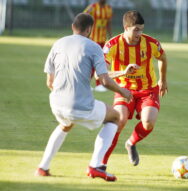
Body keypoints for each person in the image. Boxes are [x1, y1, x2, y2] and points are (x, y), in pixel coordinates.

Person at [35, 13, 134, 182]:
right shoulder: (93, 46)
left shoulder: (58, 43)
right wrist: (124, 91)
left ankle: (42, 167)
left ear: (73, 27)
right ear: (89, 29)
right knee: (115, 117)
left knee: (65, 124)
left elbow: (49, 82)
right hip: (79, 104)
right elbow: (103, 80)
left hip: (56, 103)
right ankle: (95, 166)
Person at [100, 10, 168, 168]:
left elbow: (163, 58)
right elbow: (101, 74)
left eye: (142, 29)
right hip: (124, 90)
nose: (140, 33)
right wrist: (123, 72)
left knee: (148, 122)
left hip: (148, 90)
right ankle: (101, 163)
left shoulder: (151, 43)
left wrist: (162, 80)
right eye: (136, 29)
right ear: (126, 27)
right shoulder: (112, 45)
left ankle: (131, 143)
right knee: (119, 121)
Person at [84, 0, 113, 92]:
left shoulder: (108, 9)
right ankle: (85, 83)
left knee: (100, 62)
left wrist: (111, 37)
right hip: (92, 39)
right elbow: (83, 18)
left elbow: (108, 23)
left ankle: (99, 85)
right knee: (91, 62)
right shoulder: (92, 7)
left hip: (102, 41)